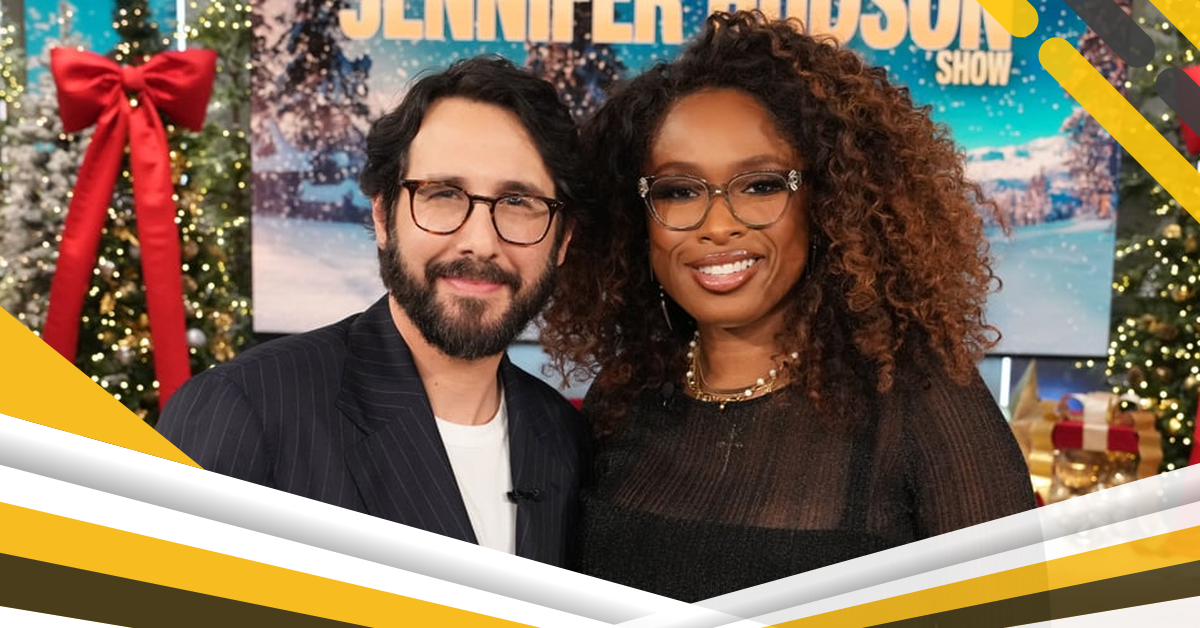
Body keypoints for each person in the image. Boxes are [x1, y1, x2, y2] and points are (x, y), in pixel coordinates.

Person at [540, 11, 1035, 600]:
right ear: (637, 219)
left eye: (761, 185)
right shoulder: (622, 399)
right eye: (679, 191)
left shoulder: (918, 401)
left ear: (827, 203)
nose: (717, 225)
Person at [158, 56, 590, 567]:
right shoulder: (246, 410)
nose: (480, 242)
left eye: (518, 202)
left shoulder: (567, 440)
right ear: (384, 217)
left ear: (563, 240)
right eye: (443, 194)